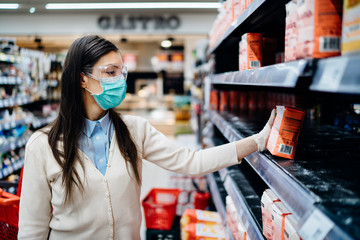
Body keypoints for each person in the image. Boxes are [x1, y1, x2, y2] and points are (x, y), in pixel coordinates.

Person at [18, 35, 275, 239]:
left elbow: (192, 162)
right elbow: (32, 229)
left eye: (122, 72)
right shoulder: (43, 145)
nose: (120, 80)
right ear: (82, 79)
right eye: (110, 72)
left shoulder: (134, 130)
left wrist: (256, 142)